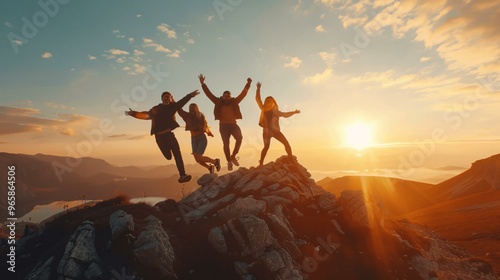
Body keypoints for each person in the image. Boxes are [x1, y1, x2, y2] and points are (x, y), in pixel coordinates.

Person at [126, 90, 199, 183]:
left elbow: (181, 102)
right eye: (165, 96)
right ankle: (174, 162)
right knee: (168, 156)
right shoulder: (156, 109)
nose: (167, 98)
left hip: (169, 135)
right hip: (159, 137)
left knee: (177, 153)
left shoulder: (173, 107)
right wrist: (133, 113)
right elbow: (146, 115)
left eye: (168, 97)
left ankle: (182, 175)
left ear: (170, 99)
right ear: (162, 98)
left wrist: (190, 95)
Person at [198, 74, 252, 171]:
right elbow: (209, 94)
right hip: (223, 126)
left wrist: (248, 84)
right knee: (226, 143)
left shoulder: (234, 101)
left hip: (233, 124)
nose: (227, 98)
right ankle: (229, 162)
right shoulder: (218, 102)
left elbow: (243, 94)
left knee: (239, 138)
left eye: (228, 96)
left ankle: (233, 156)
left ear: (230, 97)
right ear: (222, 97)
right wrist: (202, 84)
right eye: (225, 96)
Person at [255, 82, 300, 166]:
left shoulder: (275, 111)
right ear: (266, 102)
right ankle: (261, 163)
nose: (269, 102)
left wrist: (294, 112)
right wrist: (258, 89)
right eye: (267, 101)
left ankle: (291, 160)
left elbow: (284, 114)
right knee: (266, 147)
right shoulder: (263, 108)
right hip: (267, 131)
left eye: (271, 101)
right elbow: (258, 99)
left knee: (286, 144)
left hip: (275, 131)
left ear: (273, 102)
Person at [178, 103, 221, 174]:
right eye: (190, 108)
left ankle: (215, 161)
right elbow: (179, 110)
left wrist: (208, 133)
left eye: (193, 108)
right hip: (193, 139)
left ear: (196, 109)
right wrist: (172, 100)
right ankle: (210, 167)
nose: (192, 110)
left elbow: (205, 126)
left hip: (201, 138)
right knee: (197, 159)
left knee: (198, 157)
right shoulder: (187, 116)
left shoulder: (200, 116)